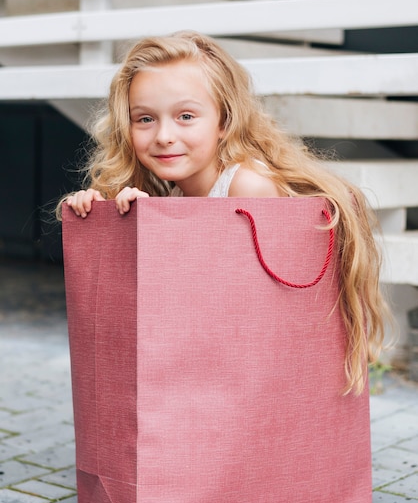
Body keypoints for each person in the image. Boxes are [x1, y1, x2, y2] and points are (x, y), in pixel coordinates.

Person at [61, 30, 390, 395]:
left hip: (256, 384)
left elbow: (240, 310)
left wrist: (163, 230)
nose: (164, 135)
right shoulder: (173, 188)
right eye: (144, 119)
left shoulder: (246, 186)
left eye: (186, 116)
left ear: (224, 122)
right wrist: (113, 216)